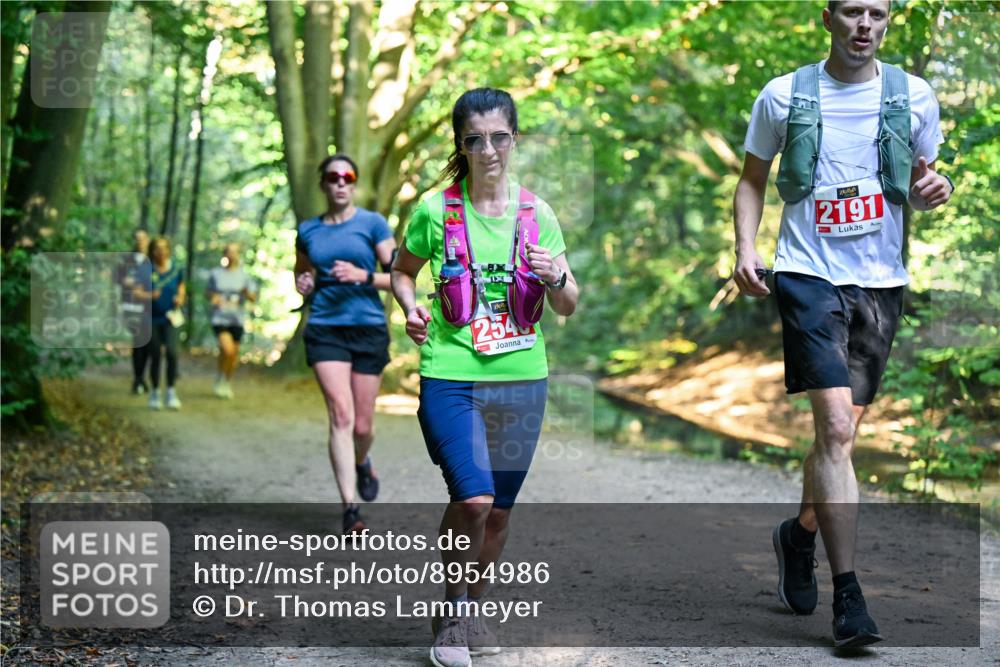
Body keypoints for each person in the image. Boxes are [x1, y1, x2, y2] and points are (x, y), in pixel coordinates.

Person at [732, 0, 953, 648]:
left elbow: (921, 179)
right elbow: (752, 179)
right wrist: (745, 248)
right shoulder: (783, 95)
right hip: (806, 273)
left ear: (888, 22)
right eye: (853, 11)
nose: (865, 25)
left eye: (877, 14)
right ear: (827, 18)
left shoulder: (914, 97)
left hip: (880, 281)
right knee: (833, 427)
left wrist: (935, 188)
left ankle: (799, 535)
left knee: (844, 435)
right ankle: (849, 598)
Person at [391, 88, 579, 667]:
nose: (489, 150)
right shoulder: (435, 211)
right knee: (473, 499)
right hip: (450, 375)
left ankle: (472, 607)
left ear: (514, 139)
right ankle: (451, 614)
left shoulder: (537, 215)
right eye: (475, 139)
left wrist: (553, 277)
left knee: (498, 511)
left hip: (522, 379)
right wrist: (410, 310)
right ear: (461, 145)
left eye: (499, 137)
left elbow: (569, 304)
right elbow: (401, 271)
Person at [294, 154, 396, 534]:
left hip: (368, 328)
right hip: (326, 327)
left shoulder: (373, 224)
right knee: (341, 415)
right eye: (333, 177)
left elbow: (398, 278)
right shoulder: (308, 230)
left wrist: (362, 275)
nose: (340, 182)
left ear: (354, 184)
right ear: (322, 184)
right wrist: (304, 283)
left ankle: (362, 461)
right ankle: (350, 509)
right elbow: (302, 273)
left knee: (363, 426)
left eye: (347, 177)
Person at [135, 236, 186, 410]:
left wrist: (180, 298)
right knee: (155, 354)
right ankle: (155, 392)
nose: (161, 251)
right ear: (152, 251)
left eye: (164, 248)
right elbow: (136, 293)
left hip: (171, 318)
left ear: (169, 250)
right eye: (157, 248)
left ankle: (171, 391)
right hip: (151, 319)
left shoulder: (176, 269)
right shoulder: (145, 269)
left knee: (172, 353)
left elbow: (181, 289)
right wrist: (150, 296)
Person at [206, 243, 257, 399]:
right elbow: (208, 292)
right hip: (220, 318)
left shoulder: (244, 276)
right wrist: (214, 297)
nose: (232, 255)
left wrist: (246, 293)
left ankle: (224, 381)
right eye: (229, 252)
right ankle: (221, 378)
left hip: (237, 319)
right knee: (227, 350)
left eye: (235, 252)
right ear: (224, 254)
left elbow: (253, 297)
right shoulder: (216, 274)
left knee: (232, 355)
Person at [116, 228, 151, 394]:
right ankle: (138, 378)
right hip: (131, 307)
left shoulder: (152, 260)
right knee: (139, 341)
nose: (140, 241)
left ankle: (140, 378)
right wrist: (126, 282)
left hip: (149, 308)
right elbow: (116, 278)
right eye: (137, 238)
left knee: (147, 344)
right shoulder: (126, 260)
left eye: (143, 238)